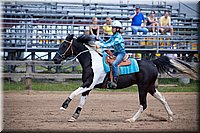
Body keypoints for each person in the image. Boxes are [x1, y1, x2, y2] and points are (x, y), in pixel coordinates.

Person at [96, 20, 126, 88]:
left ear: (117, 29)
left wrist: (100, 45)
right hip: (116, 52)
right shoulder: (113, 36)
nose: (112, 29)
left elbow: (111, 44)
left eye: (113, 28)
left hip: (121, 53)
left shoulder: (118, 37)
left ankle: (115, 81)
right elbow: (107, 42)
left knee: (114, 64)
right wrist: (99, 43)